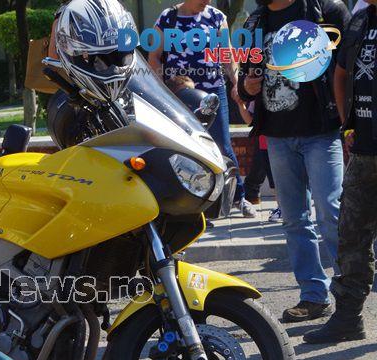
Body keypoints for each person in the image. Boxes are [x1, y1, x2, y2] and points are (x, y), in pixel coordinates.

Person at [237, 0, 350, 323]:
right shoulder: (255, 22)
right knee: (294, 220)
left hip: (321, 132)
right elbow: (245, 79)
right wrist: (246, 86)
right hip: (277, 135)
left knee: (330, 211)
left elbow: (349, 70)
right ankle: (314, 296)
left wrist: (351, 122)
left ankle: (349, 294)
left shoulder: (326, 11)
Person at [305, 0, 377, 343]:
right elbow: (342, 72)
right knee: (351, 236)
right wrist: (347, 123)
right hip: (364, 150)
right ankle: (348, 318)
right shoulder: (360, 20)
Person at [149, 0, 252, 218]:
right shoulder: (168, 18)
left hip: (214, 91)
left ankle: (239, 197)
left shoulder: (216, 17)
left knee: (222, 144)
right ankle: (195, 206)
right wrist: (160, 90)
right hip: (180, 94)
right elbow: (154, 57)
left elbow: (227, 55)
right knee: (186, 148)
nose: (207, 2)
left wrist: (237, 84)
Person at [232, 89, 281, 221]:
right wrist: (241, 105)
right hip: (266, 143)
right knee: (274, 181)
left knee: (282, 178)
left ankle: (285, 207)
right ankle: (282, 207)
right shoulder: (259, 97)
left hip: (283, 141)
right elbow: (251, 121)